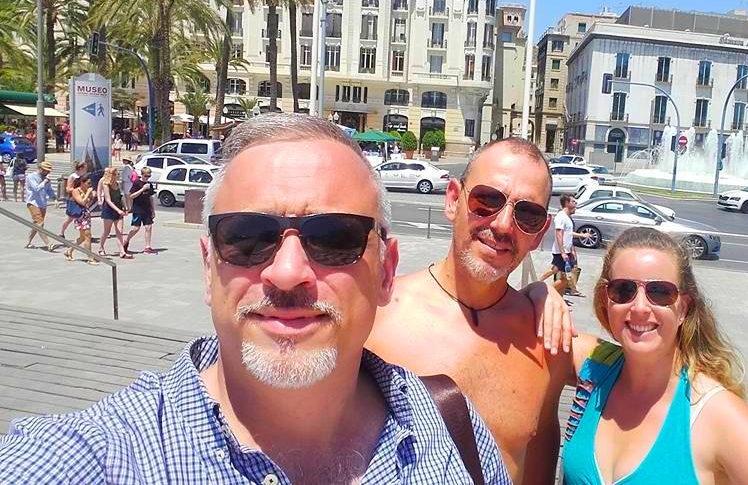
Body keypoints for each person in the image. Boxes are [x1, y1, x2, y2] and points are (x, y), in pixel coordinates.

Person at [0, 114, 510, 483]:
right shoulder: (103, 456)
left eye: (335, 238)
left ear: (386, 271)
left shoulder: (452, 431)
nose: (287, 273)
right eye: (246, 237)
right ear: (208, 267)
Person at [367, 137, 576, 483]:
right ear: (453, 199)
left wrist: (543, 292)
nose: (503, 225)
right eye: (487, 200)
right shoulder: (376, 317)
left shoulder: (545, 339)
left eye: (527, 214)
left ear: (540, 233)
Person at [560, 227, 748, 484]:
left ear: (683, 309)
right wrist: (542, 296)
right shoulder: (596, 365)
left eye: (660, 292)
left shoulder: (714, 414)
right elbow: (535, 330)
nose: (640, 307)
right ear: (606, 300)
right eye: (623, 290)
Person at [539, 193, 589, 297]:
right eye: (573, 201)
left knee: (557, 271)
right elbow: (559, 234)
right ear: (566, 203)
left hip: (566, 251)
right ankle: (544, 292)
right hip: (561, 251)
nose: (575, 204)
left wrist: (581, 236)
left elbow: (568, 234)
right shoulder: (561, 216)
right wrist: (563, 252)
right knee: (566, 278)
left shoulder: (567, 217)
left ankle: (545, 288)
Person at [96, 167, 131, 259]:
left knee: (119, 231)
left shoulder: (117, 184)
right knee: (107, 231)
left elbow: (120, 197)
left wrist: (125, 206)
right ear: (111, 175)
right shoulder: (105, 184)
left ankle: (122, 252)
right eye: (116, 174)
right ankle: (101, 248)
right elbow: (108, 200)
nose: (118, 176)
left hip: (118, 208)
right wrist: (117, 210)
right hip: (109, 209)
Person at [64, 175, 98, 265]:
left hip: (86, 214)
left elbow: (87, 204)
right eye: (88, 183)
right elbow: (82, 202)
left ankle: (69, 250)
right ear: (82, 183)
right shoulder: (76, 191)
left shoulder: (86, 190)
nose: (90, 185)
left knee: (83, 237)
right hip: (80, 216)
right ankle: (90, 257)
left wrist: (92, 196)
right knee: (88, 236)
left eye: (90, 183)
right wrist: (88, 193)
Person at [24, 161, 56, 250]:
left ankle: (28, 242)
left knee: (36, 225)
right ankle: (48, 244)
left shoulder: (46, 179)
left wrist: (54, 198)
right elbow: (36, 189)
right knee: (40, 223)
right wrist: (45, 181)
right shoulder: (31, 177)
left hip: (42, 203)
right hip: (33, 202)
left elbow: (49, 190)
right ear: (41, 169)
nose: (48, 172)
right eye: (47, 170)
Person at [125, 166, 156, 254]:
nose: (147, 178)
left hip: (147, 208)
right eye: (146, 176)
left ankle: (147, 247)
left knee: (148, 227)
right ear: (142, 175)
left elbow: (150, 197)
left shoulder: (149, 184)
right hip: (138, 208)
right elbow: (131, 196)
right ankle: (126, 240)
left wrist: (153, 210)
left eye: (149, 176)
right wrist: (142, 189)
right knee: (136, 228)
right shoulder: (137, 183)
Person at [59, 160, 87, 239]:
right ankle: (62, 232)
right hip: (73, 199)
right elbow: (68, 189)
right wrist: (78, 190)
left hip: (82, 198)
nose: (86, 169)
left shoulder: (83, 176)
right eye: (85, 168)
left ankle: (85, 234)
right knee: (70, 218)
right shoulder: (73, 177)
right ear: (81, 168)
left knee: (83, 216)